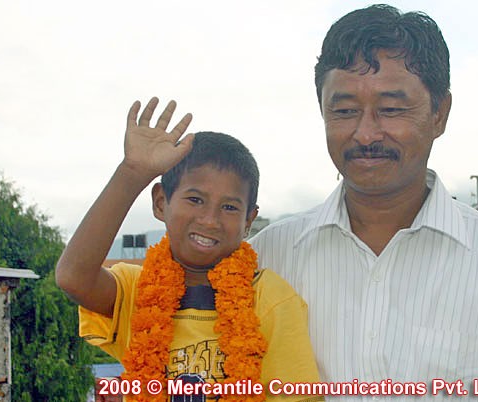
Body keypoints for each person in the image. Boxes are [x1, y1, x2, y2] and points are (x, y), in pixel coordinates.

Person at [249, 4, 478, 401]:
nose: (366, 134)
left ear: (440, 114)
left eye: (391, 109)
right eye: (345, 110)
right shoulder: (265, 260)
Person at [55, 97, 322, 402]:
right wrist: (131, 173)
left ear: (249, 220)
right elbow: (73, 278)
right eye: (195, 200)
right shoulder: (136, 290)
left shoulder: (269, 297)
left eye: (229, 207)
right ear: (160, 202)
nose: (209, 220)